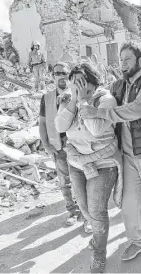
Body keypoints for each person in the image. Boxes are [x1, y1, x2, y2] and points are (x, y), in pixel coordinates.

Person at [80, 40, 141, 261]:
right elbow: (104, 98)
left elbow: (133, 111)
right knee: (128, 202)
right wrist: (83, 95)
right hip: (129, 156)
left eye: (127, 59)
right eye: (121, 59)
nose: (122, 64)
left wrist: (97, 113)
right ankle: (137, 241)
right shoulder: (119, 86)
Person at [55, 62, 122, 273]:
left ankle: (99, 254)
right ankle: (97, 238)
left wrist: (84, 101)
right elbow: (59, 127)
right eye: (74, 83)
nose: (77, 87)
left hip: (102, 163)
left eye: (82, 83)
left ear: (93, 82)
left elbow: (95, 130)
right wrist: (74, 100)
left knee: (97, 211)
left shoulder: (105, 99)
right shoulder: (70, 100)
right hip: (77, 164)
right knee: (85, 210)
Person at [39, 62, 84, 226]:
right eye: (58, 73)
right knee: (65, 181)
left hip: (77, 144)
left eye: (65, 73)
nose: (62, 76)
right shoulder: (47, 97)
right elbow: (42, 123)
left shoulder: (76, 94)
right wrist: (46, 144)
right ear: (53, 76)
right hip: (58, 146)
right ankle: (72, 211)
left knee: (80, 178)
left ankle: (85, 211)